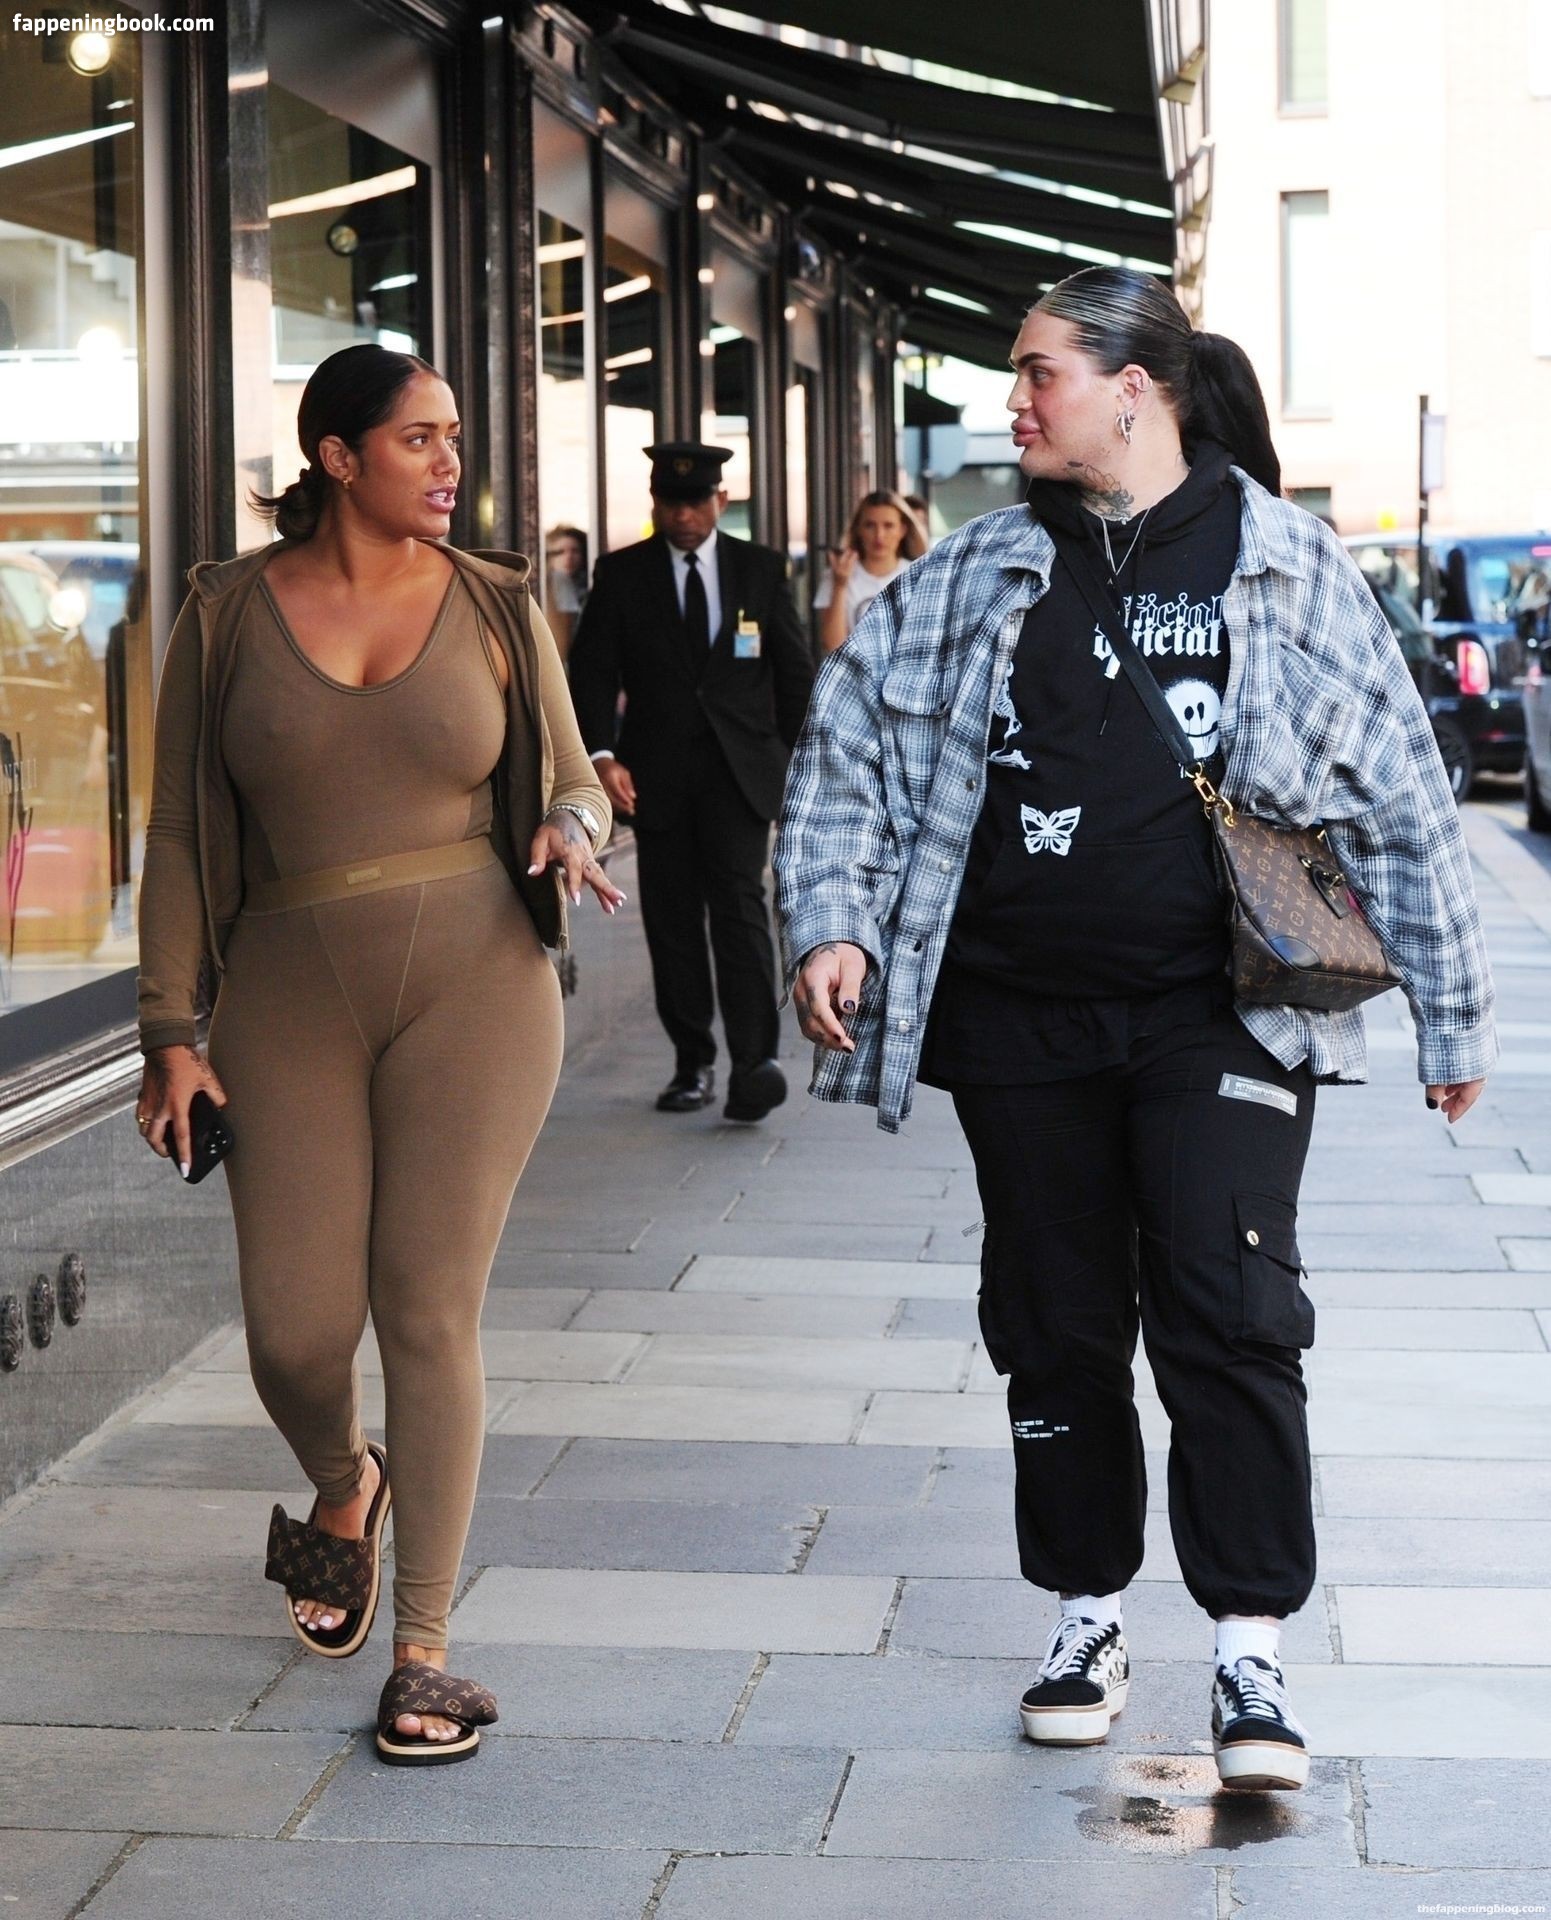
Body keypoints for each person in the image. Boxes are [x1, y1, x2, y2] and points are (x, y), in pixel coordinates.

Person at [775, 266, 1495, 1793]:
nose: (1011, 402)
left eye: (1035, 372)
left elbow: (1399, 789)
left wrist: (1453, 1012)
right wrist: (830, 921)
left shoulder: (1282, 562)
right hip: (1015, 1016)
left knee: (1227, 1308)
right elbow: (843, 751)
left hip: (1219, 1013)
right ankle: (1083, 1615)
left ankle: (1247, 1646)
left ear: (1131, 389)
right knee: (1053, 1321)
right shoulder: (975, 571)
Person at [134, 342, 618, 1767]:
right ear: (337, 458)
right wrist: (168, 1032)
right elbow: (177, 833)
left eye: (453, 436)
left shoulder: (494, 600)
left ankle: (424, 1653)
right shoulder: (224, 613)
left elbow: (575, 775)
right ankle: (346, 1484)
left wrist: (569, 827)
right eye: (418, 439)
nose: (450, 462)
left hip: (478, 982)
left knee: (425, 1307)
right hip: (283, 989)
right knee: (293, 1333)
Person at [569, 441, 813, 1121]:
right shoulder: (622, 573)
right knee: (673, 920)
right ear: (655, 504)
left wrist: (803, 767)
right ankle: (692, 1063)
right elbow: (592, 673)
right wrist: (601, 755)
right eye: (670, 504)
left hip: (740, 777)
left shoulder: (759, 568)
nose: (682, 516)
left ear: (720, 501)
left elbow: (794, 672)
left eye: (695, 503)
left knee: (739, 911)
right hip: (655, 778)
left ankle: (755, 1064)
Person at [815, 489, 927, 654]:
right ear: (859, 529)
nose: (879, 536)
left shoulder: (919, 577)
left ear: (902, 530)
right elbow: (834, 645)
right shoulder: (837, 574)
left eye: (888, 526)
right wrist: (840, 585)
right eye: (870, 525)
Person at [543, 524, 589, 657]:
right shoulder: (542, 590)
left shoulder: (589, 588)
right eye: (559, 552)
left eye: (575, 551)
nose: (569, 557)